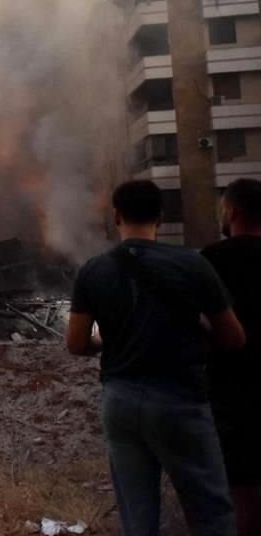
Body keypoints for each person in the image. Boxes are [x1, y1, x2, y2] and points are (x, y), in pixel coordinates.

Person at [66, 180, 245, 536]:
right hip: (180, 397)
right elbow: (233, 337)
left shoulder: (93, 270)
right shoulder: (193, 264)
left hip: (121, 400)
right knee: (210, 510)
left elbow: (76, 343)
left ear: (116, 215)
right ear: (160, 217)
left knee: (137, 517)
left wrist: (108, 339)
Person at [202, 178, 261, 536]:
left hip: (232, 387)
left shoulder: (212, 261)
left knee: (240, 488)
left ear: (232, 211)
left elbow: (198, 326)